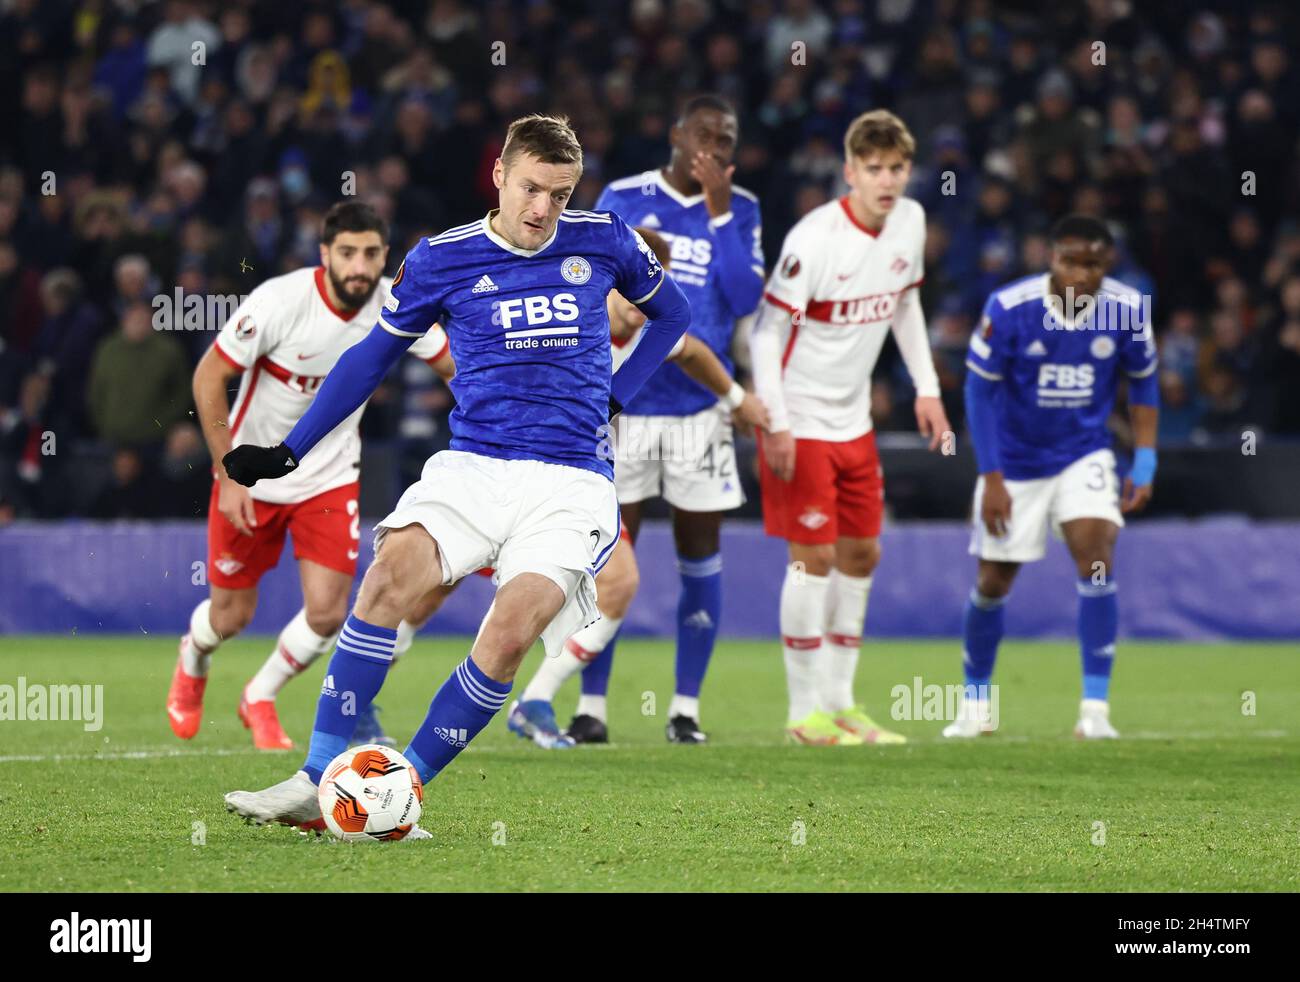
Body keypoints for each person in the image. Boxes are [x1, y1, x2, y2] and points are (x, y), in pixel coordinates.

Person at [221, 114, 691, 833]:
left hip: (570, 482)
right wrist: (290, 451)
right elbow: (369, 359)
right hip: (473, 465)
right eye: (532, 188)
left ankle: (397, 791)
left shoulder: (606, 240)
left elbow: (672, 316)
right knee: (386, 579)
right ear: (499, 176)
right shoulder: (442, 258)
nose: (544, 209)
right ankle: (317, 775)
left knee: (509, 633)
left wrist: (618, 395)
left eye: (560, 194)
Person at [395, 227, 770, 748]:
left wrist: (734, 399)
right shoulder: (564, 308)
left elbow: (692, 350)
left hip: (567, 485)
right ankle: (365, 693)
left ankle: (536, 699)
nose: (640, 308)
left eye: (649, 296)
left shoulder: (647, 331)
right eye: (631, 293)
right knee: (435, 583)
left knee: (618, 584)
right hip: (490, 466)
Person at [166, 201, 452, 751]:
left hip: (328, 476)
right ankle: (194, 654)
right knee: (231, 615)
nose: (359, 267)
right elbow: (209, 375)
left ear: (384, 256)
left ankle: (260, 695)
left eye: (371, 254)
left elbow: (455, 367)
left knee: (326, 613)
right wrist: (228, 472)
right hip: (252, 474)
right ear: (325, 254)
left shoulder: (396, 308)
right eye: (347, 253)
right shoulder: (279, 300)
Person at [750, 109, 950, 746]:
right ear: (850, 172)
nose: (886, 181)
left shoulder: (912, 222)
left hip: (853, 421)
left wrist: (928, 389)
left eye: (896, 169)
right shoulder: (814, 239)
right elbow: (765, 335)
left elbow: (907, 303)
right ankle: (802, 712)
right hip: (799, 418)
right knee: (812, 559)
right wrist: (776, 423)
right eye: (874, 169)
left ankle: (841, 703)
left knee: (862, 552)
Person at [576, 94, 765, 743]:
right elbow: (585, 283)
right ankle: (590, 708)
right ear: (678, 133)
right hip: (625, 404)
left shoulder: (743, 208)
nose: (718, 145)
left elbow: (744, 298)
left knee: (699, 558)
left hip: (699, 411)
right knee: (609, 559)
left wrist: (717, 214)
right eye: (707, 131)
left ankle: (685, 709)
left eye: (729, 136)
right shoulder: (625, 196)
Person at [945, 214, 1158, 740]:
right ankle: (975, 703)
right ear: (1051, 259)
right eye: (1071, 261)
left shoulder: (1127, 310)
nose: (1081, 274)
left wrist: (1147, 459)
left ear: (1108, 266)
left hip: (1083, 454)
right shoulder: (1010, 308)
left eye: (1094, 264)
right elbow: (979, 391)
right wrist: (991, 476)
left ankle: (1094, 709)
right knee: (994, 582)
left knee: (1097, 554)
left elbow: (1145, 383)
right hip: (1014, 463)